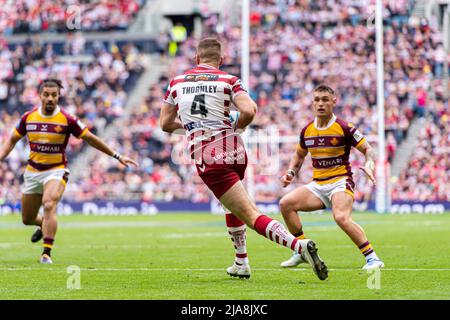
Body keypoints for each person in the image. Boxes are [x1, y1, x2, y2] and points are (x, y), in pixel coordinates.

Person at [159, 37, 328, 280]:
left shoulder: (177, 82)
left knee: (249, 213)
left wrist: (191, 127)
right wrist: (237, 126)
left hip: (209, 155)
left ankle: (299, 246)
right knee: (231, 205)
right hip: (236, 151)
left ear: (196, 59)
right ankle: (241, 262)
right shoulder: (229, 80)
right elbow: (249, 110)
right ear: (221, 60)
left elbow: (165, 123)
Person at [0, 79, 138, 264]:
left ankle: (46, 253)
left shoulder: (67, 119)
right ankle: (43, 225)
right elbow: (11, 140)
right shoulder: (28, 117)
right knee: (27, 218)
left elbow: (90, 138)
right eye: (46, 95)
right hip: (33, 172)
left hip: (56, 170)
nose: (50, 98)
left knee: (49, 204)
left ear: (59, 97)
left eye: (54, 95)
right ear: (40, 96)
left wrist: (117, 155)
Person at [279, 85, 384, 270]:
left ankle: (373, 258)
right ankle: (302, 250)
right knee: (286, 204)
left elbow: (369, 149)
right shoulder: (307, 131)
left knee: (341, 217)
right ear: (312, 102)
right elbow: (299, 155)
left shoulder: (344, 128)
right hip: (318, 185)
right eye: (317, 99)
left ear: (333, 102)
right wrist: (290, 173)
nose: (320, 104)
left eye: (325, 99)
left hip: (340, 181)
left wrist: (369, 165)